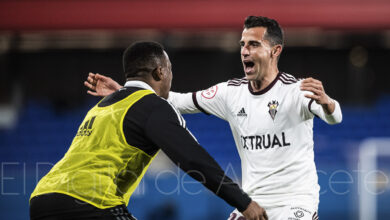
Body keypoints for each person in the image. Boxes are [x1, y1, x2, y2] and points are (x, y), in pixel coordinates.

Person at [85, 16, 343, 220]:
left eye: (253, 44)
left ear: (275, 50)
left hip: (295, 202)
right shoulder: (230, 93)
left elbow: (335, 117)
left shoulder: (296, 90)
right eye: (242, 44)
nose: (244, 51)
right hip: (253, 202)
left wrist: (328, 104)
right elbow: (176, 100)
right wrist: (126, 91)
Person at [30, 41, 268, 220]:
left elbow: (133, 114)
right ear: (160, 72)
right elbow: (193, 158)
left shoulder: (102, 106)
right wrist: (244, 203)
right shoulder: (154, 106)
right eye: (170, 70)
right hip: (90, 201)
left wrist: (123, 91)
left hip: (42, 199)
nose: (171, 77)